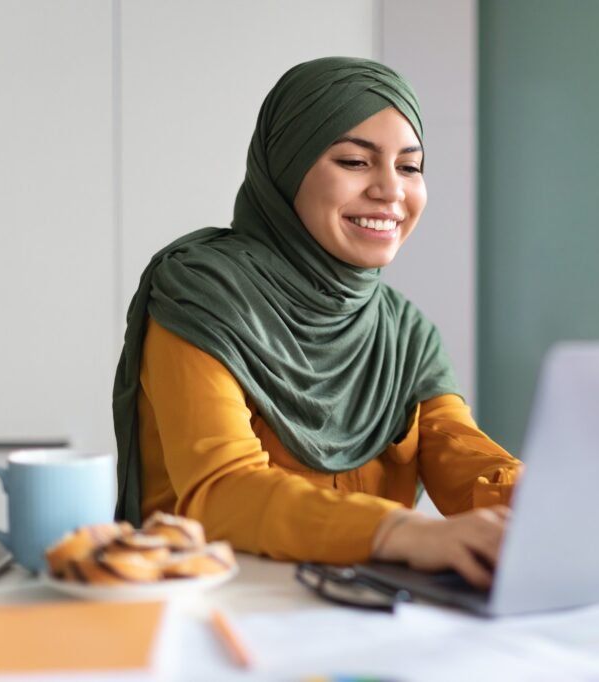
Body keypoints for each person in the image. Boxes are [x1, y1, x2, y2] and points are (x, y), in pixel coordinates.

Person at [113, 57, 521, 588]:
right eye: (355, 161)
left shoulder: (404, 332)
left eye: (410, 166)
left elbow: (459, 457)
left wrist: (552, 505)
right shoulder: (203, 292)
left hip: (356, 617)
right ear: (286, 166)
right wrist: (400, 530)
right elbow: (222, 492)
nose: (391, 191)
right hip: (212, 611)